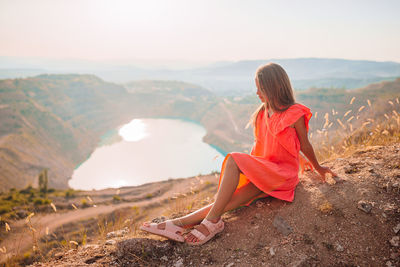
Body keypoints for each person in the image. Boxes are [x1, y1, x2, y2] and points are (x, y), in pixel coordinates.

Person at [140, 62, 337, 245]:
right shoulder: (262, 112)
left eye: (260, 87)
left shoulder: (295, 113)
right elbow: (262, 145)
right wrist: (251, 169)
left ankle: (212, 222)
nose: (257, 92)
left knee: (234, 159)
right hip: (266, 171)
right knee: (226, 202)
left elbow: (305, 145)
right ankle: (177, 224)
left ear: (273, 87)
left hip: (282, 176)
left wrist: (318, 167)